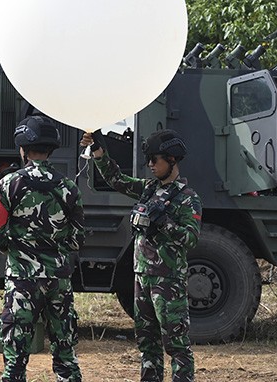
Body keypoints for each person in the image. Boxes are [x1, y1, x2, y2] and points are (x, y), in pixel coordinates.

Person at [80, 129, 202, 382]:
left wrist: (164, 222)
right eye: (148, 159)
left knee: (176, 344)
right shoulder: (148, 189)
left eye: (154, 160)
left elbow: (191, 239)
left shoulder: (188, 199)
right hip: (142, 277)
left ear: (172, 159)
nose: (149, 165)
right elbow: (116, 180)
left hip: (168, 281)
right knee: (147, 342)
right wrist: (99, 150)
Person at [0, 115, 85, 382]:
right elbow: (77, 238)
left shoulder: (9, 183)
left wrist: (16, 251)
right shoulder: (68, 187)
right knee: (65, 354)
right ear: (51, 149)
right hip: (58, 280)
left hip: (22, 279)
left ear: (22, 149)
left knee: (15, 359)